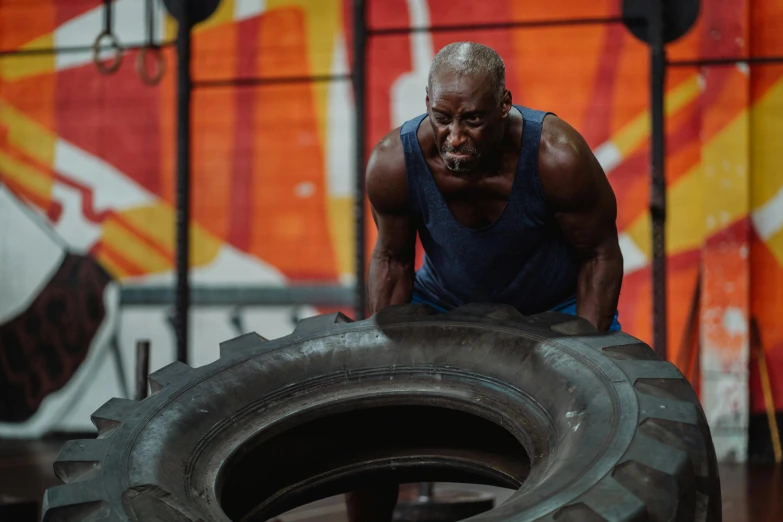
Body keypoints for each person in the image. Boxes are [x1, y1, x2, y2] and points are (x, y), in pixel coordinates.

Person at [346, 41, 624, 521]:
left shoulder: (556, 157)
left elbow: (598, 254)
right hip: (444, 305)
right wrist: (385, 371)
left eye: (473, 120)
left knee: (610, 423)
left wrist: (585, 357)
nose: (455, 137)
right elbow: (392, 260)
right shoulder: (395, 162)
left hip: (552, 309)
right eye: (442, 117)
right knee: (369, 426)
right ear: (428, 103)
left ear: (504, 105)